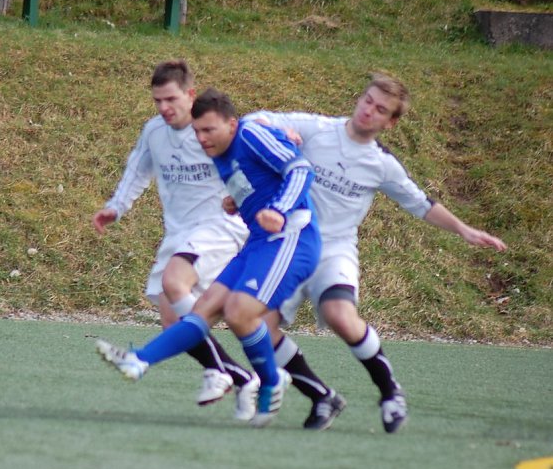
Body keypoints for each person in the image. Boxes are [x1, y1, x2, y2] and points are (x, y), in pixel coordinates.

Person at [242, 72, 507, 433]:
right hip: (287, 246)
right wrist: (277, 133)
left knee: (341, 316)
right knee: (256, 325)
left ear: (391, 122)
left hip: (333, 251)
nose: (369, 110)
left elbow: (420, 203)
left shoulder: (382, 164)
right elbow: (254, 120)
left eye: (380, 109)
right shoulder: (317, 129)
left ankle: (390, 393)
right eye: (367, 100)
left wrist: (464, 228)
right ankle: (322, 396)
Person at [96, 88, 321, 427]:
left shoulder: (250, 132)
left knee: (239, 312)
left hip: (292, 237)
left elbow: (300, 169)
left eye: (209, 130)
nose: (201, 138)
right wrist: (238, 201)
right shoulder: (220, 151)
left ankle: (270, 381)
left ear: (231, 123)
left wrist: (278, 207)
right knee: (201, 313)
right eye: (198, 131)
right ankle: (138, 362)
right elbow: (253, 181)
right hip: (259, 242)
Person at [92, 60, 258, 419]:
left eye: (171, 99)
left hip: (220, 225)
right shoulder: (154, 132)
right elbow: (137, 171)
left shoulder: (212, 132)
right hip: (180, 233)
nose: (164, 108)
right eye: (157, 101)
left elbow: (251, 161)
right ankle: (242, 376)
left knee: (174, 282)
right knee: (173, 322)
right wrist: (115, 208)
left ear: (190, 95)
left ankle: (214, 371)